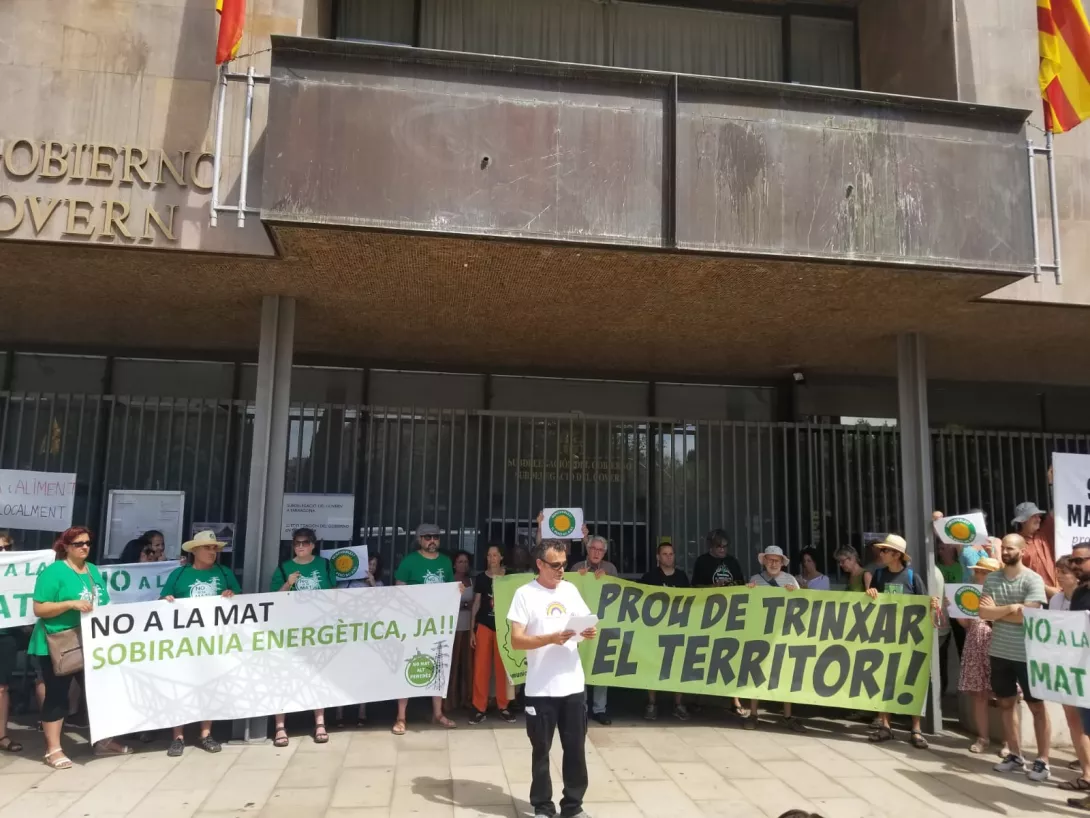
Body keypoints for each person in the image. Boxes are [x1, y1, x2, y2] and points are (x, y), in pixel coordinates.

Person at [507, 538, 597, 818]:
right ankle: (542, 807)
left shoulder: (570, 590)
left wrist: (590, 631)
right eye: (555, 565)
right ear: (539, 564)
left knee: (575, 750)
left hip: (571, 685)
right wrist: (550, 639)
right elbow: (517, 641)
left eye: (564, 564)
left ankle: (573, 806)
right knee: (541, 752)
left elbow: (587, 622)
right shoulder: (524, 594)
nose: (561, 570)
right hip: (541, 688)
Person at [28, 527, 131, 768]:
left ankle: (103, 741)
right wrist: (69, 604)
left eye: (87, 543)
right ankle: (53, 749)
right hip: (58, 642)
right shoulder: (53, 572)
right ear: (65, 546)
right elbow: (39, 609)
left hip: (90, 640)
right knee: (57, 695)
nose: (84, 547)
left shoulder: (92, 570)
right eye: (78, 544)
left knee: (98, 692)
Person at [160, 529, 240, 757]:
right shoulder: (178, 575)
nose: (212, 552)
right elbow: (161, 602)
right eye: (207, 547)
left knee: (209, 685)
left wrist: (231, 596)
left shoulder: (225, 573)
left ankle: (205, 733)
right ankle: (178, 736)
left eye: (214, 548)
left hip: (214, 641)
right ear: (195, 550)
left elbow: (240, 603)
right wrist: (167, 601)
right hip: (184, 642)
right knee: (180, 686)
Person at [979, 533, 1050, 782]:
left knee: (1037, 707)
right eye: (1004, 548)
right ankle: (1015, 755)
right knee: (1006, 704)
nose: (1006, 552)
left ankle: (1043, 760)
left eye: (1010, 548)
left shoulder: (1033, 579)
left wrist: (999, 613)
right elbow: (983, 612)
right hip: (999, 651)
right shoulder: (992, 578)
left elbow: (1029, 615)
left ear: (1022, 551)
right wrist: (1010, 608)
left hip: (1027, 654)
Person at [865, 534, 933, 749]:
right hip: (886, 637)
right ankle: (885, 725)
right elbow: (870, 602)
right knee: (884, 679)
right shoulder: (879, 575)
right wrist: (870, 593)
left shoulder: (912, 577)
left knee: (911, 679)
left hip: (910, 639)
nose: (881, 554)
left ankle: (916, 728)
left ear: (897, 555)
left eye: (885, 551)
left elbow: (925, 606)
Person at [270, 528, 337, 746]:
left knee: (318, 675)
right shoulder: (283, 568)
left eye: (305, 543)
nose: (300, 546)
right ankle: (280, 726)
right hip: (291, 630)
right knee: (284, 676)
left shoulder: (325, 565)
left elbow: (334, 595)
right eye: (297, 543)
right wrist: (288, 583)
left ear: (313, 545)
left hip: (318, 630)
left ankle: (319, 722)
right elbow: (272, 601)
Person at [393, 523, 458, 734]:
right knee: (406, 665)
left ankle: (438, 713)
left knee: (438, 664)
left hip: (437, 625)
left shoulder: (446, 562)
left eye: (436, 537)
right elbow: (399, 587)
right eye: (428, 537)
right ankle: (401, 717)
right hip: (413, 625)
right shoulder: (410, 561)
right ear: (419, 540)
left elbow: (450, 589)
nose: (433, 541)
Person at [745, 546, 805, 733]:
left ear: (782, 563)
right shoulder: (755, 580)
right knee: (757, 673)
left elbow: (802, 605)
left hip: (783, 633)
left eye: (776, 560)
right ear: (764, 561)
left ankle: (787, 716)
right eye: (770, 560)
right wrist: (748, 591)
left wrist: (794, 593)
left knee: (784, 674)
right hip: (761, 634)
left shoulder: (791, 580)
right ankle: (754, 714)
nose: (773, 563)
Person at [1048, 554, 1090, 795]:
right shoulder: (1056, 601)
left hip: (1085, 669)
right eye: (1060, 571)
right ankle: (1086, 773)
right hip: (1068, 669)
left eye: (1065, 571)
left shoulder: (1084, 596)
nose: (1061, 576)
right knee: (1075, 720)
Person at [640, 541, 690, 721]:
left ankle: (678, 704)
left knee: (678, 666)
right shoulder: (649, 577)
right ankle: (652, 703)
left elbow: (692, 601)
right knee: (653, 665)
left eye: (671, 554)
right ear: (658, 557)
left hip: (677, 628)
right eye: (665, 554)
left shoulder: (682, 577)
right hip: (656, 630)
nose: (669, 557)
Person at [571, 532, 617, 726]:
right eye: (593, 549)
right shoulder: (576, 567)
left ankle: (600, 709)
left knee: (600, 666)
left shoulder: (610, 569)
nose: (597, 552)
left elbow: (618, 593)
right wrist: (579, 579)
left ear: (604, 553)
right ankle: (581, 708)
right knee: (579, 666)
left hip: (603, 624)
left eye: (600, 550)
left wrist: (607, 579)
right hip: (581, 624)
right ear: (587, 549)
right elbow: (568, 590)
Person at [957, 558, 1002, 754]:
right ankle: (983, 737)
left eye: (984, 572)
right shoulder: (971, 593)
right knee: (979, 694)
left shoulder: (1003, 593)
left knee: (1004, 694)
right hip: (975, 643)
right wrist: (957, 609)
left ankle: (1010, 741)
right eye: (978, 571)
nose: (979, 575)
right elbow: (966, 624)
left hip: (998, 644)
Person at [336, 552, 383, 727]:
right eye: (368, 564)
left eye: (374, 565)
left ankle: (361, 712)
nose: (370, 568)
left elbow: (381, 605)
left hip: (367, 634)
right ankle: (339, 712)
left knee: (363, 672)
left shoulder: (379, 584)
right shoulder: (346, 583)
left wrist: (371, 584)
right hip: (346, 632)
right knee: (343, 672)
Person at [469, 545, 515, 724]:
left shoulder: (509, 577)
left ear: (501, 557)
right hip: (484, 626)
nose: (492, 558)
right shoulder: (481, 578)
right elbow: (476, 604)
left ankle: (503, 706)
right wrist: (472, 630)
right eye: (489, 555)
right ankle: (479, 707)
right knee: (481, 668)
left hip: (504, 627)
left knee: (503, 668)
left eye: (495, 555)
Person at [1062, 542, 1090, 810]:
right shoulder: (1080, 594)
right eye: (1072, 561)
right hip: (1084, 676)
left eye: (1080, 561)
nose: (1074, 566)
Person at [0, 532, 24, 754]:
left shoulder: (16, 574)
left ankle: (2, 735)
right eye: (0, 549)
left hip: (5, 635)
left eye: (7, 548)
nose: (4, 553)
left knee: (2, 687)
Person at [445, 549, 475, 714]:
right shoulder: (450, 580)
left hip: (468, 626)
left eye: (465, 562)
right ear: (454, 564)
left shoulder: (471, 580)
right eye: (460, 562)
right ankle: (450, 700)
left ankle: (466, 698)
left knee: (468, 665)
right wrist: (465, 605)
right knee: (453, 665)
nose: (463, 565)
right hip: (454, 627)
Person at [1012, 500, 1058, 595]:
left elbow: (1058, 510)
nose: (1039, 519)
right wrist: (1047, 590)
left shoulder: (1044, 534)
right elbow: (1018, 573)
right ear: (1023, 521)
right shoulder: (1015, 542)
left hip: (1057, 593)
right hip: (1034, 596)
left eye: (1039, 516)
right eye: (1034, 516)